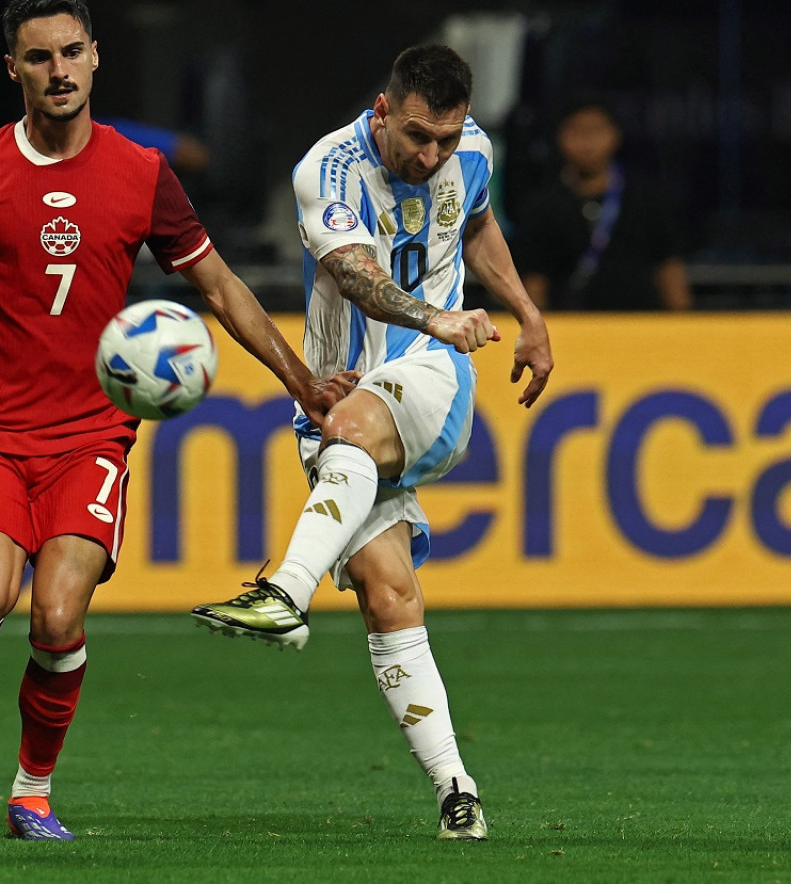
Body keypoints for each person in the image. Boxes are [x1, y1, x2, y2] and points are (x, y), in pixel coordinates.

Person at [0, 0, 358, 841]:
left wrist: (303, 381)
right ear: (13, 68)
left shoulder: (140, 173)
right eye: (38, 57)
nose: (58, 71)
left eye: (71, 52)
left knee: (56, 617)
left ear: (94, 56)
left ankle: (31, 792)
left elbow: (220, 283)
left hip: (91, 434)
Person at [191, 44, 554, 842]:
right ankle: (459, 792)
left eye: (447, 140)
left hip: (432, 374)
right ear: (384, 110)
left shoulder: (472, 154)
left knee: (356, 422)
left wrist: (525, 314)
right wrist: (437, 313)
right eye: (418, 136)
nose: (432, 156)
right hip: (340, 397)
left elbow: (481, 221)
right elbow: (355, 273)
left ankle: (284, 591)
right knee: (388, 594)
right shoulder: (327, 168)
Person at [513, 98, 692, 311]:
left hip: (641, 325)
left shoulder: (647, 198)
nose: (587, 142)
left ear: (615, 135)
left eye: (596, 131)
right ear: (560, 137)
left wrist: (682, 322)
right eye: (577, 131)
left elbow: (669, 268)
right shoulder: (542, 205)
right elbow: (534, 279)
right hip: (568, 327)